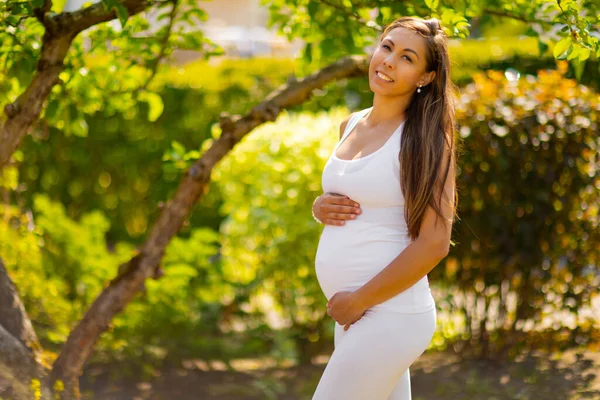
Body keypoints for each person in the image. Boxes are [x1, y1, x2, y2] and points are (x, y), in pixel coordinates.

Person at [310, 16, 459, 400]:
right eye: (387, 47)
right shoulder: (350, 124)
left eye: (408, 58)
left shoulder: (423, 140)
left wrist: (358, 301)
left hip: (389, 314)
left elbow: (434, 243)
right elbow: (363, 199)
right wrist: (320, 206)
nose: (389, 61)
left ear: (424, 77)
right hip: (355, 314)